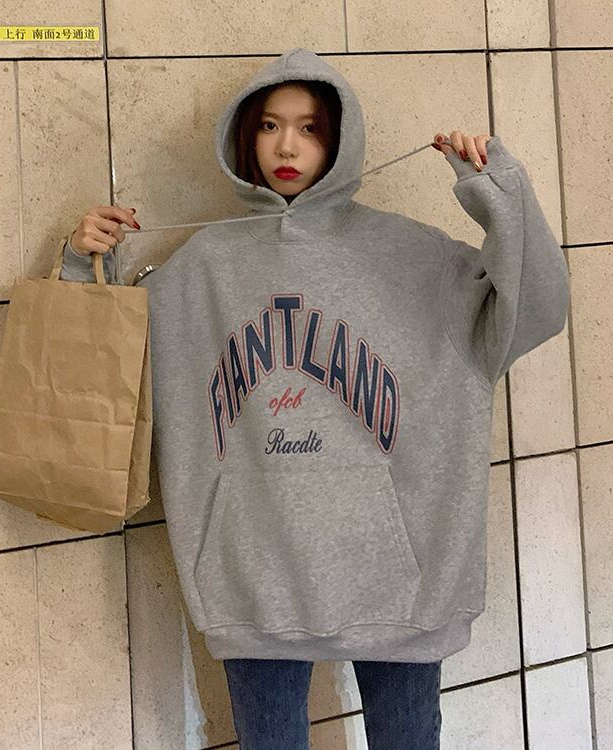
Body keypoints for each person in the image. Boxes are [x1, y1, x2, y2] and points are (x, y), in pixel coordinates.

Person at [60, 48, 569, 749]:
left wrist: (501, 196)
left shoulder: (415, 257)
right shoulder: (203, 267)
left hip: (401, 583)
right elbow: (108, 363)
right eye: (270, 126)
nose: (287, 146)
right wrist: (82, 263)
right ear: (246, 137)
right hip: (253, 577)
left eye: (309, 128)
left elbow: (537, 309)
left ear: (341, 139)